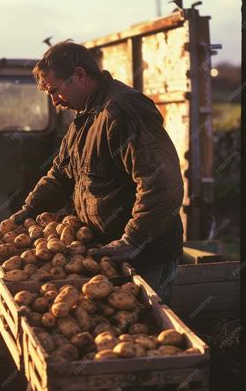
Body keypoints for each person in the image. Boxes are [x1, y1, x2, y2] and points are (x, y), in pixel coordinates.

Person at [10, 41, 184, 305]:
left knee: (145, 331)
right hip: (107, 254)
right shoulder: (84, 120)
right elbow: (60, 174)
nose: (55, 102)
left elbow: (162, 182)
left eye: (55, 91)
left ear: (79, 75)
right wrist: (28, 212)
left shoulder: (123, 111)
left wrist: (132, 240)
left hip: (145, 256)